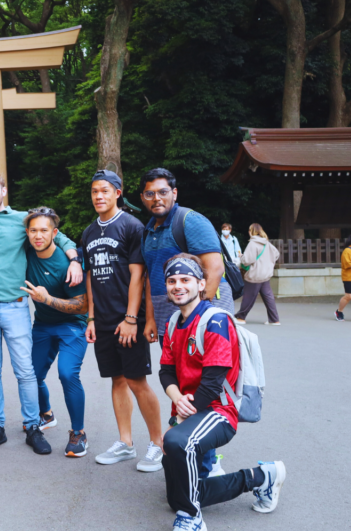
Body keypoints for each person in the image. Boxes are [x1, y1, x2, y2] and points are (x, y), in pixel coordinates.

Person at [158, 253, 286, 531]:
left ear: (201, 284)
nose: (178, 285)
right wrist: (177, 399)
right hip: (187, 409)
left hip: (218, 411)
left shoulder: (215, 321)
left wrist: (181, 419)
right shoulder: (171, 323)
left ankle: (192, 519)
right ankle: (261, 476)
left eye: (185, 279)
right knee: (177, 498)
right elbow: (166, 371)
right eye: (171, 281)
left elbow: (213, 383)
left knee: (178, 442)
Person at [0, 170, 82, 456]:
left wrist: (75, 259)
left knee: (26, 371)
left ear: (3, 190)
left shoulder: (22, 221)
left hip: (15, 307)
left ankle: (33, 427)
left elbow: (59, 235)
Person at [81, 170, 164, 472]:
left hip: (128, 319)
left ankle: (158, 444)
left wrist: (132, 319)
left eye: (104, 190)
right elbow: (90, 276)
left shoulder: (131, 226)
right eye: (94, 191)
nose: (98, 196)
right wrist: (90, 317)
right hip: (101, 320)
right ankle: (125, 443)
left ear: (118, 192)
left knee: (137, 380)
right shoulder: (89, 232)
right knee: (117, 379)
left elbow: (138, 276)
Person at [20, 207, 90, 458]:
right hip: (42, 325)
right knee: (31, 375)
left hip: (72, 325)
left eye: (44, 231)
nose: (38, 235)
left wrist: (48, 299)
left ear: (54, 233)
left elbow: (82, 305)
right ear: (27, 233)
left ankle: (79, 433)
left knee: (67, 373)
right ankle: (46, 414)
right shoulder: (26, 252)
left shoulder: (67, 263)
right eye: (33, 230)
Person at [140, 168, 235, 340]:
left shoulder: (190, 221)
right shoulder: (147, 231)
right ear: (142, 198)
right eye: (149, 194)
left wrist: (197, 316)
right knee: (173, 365)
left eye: (163, 192)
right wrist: (150, 318)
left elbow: (215, 268)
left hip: (204, 307)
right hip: (166, 310)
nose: (156, 198)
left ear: (174, 193)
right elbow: (150, 276)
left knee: (210, 363)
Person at [234, 224, 281, 326]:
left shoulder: (253, 243)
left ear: (251, 231)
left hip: (255, 274)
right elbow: (276, 254)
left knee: (248, 296)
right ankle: (274, 319)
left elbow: (247, 260)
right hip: (265, 274)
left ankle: (241, 317)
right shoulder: (266, 243)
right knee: (269, 297)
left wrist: (242, 258)